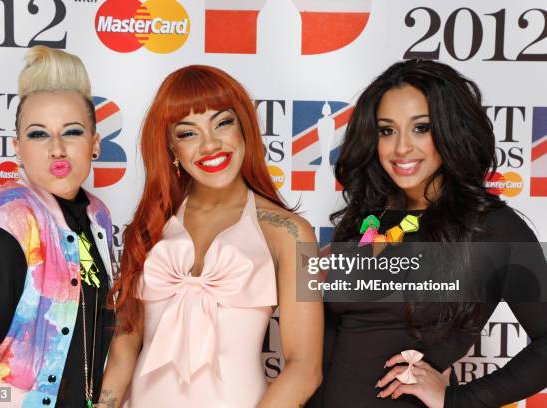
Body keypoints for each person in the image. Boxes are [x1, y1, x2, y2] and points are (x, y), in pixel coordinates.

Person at [308, 59, 547, 407]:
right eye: (387, 130)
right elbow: (330, 341)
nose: (401, 147)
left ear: (451, 130)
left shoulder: (493, 227)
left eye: (421, 128)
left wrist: (457, 400)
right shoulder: (368, 218)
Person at [97, 65, 323, 408]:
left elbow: (305, 368)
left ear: (244, 127)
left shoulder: (293, 233)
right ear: (171, 148)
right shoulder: (148, 227)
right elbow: (126, 343)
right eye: (188, 134)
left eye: (222, 123)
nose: (210, 144)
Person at [0, 46, 115, 407]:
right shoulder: (3, 227)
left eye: (73, 132)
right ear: (18, 147)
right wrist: (9, 399)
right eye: (38, 135)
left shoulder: (97, 217)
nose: (57, 149)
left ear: (95, 144)